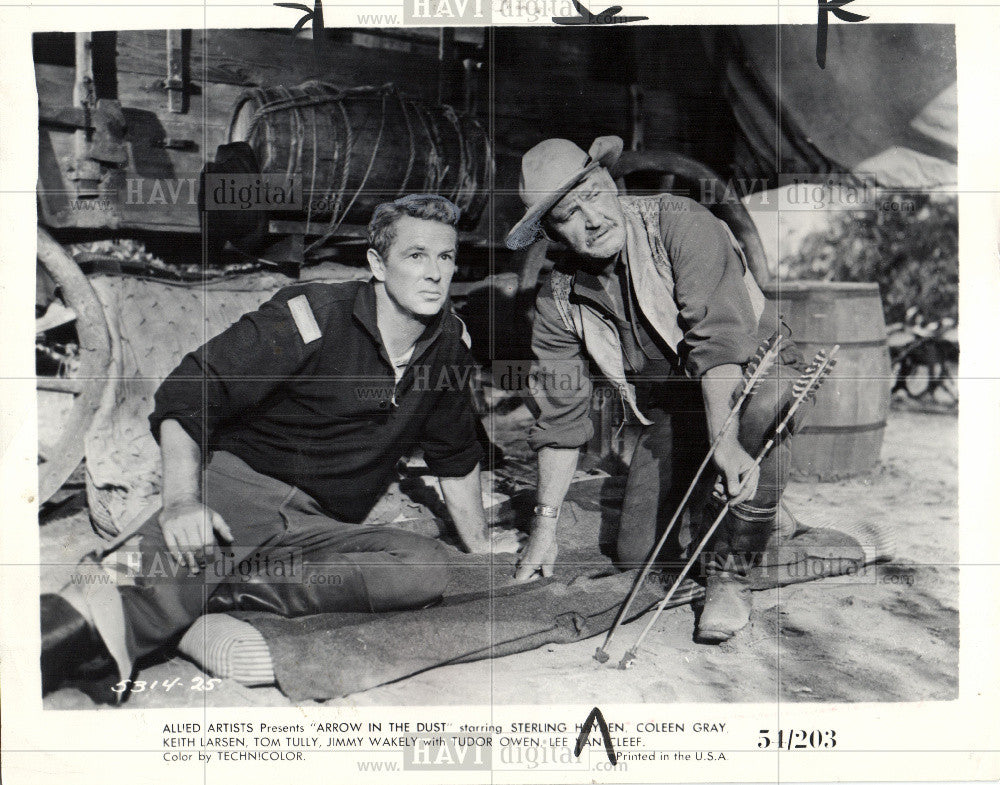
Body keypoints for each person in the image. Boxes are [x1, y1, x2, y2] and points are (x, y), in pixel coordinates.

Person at [40, 193, 516, 701]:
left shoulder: (451, 345)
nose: (434, 274)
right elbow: (190, 388)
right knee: (119, 599)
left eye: (445, 258)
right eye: (415, 256)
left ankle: (221, 592)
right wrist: (180, 500)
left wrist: (479, 547)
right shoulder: (311, 314)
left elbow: (456, 454)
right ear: (378, 264)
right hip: (242, 489)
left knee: (424, 570)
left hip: (321, 523)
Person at [506, 136, 805, 643]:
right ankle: (752, 503)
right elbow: (561, 416)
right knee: (639, 553)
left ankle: (731, 571)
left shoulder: (678, 223)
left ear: (612, 183)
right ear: (551, 231)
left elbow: (719, 345)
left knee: (762, 405)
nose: (593, 219)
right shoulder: (557, 297)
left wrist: (725, 443)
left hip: (752, 374)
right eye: (568, 215)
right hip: (675, 406)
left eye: (596, 195)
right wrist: (545, 527)